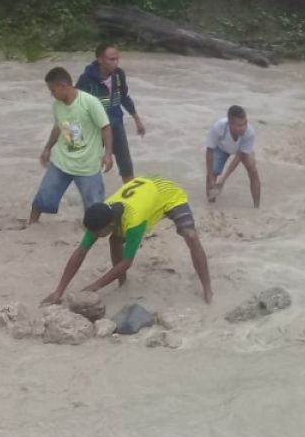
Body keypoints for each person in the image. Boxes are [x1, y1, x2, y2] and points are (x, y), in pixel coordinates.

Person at [42, 177, 212, 305]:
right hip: (145, 189)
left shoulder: (134, 221)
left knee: (190, 236)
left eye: (97, 233)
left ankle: (207, 290)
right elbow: (80, 251)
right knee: (115, 240)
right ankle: (123, 283)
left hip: (169, 193)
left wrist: (94, 286)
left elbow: (126, 262)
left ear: (109, 225)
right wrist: (59, 291)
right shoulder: (101, 213)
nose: (93, 235)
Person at [30, 67, 113, 225]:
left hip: (87, 165)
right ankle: (32, 224)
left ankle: (95, 232)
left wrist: (108, 154)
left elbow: (106, 127)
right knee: (44, 195)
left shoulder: (89, 102)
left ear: (63, 86)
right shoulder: (57, 105)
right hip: (62, 162)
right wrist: (47, 148)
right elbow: (58, 127)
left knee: (95, 207)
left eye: (52, 90)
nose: (51, 94)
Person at [76, 44, 146, 183]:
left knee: (126, 165)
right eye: (111, 59)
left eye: (117, 59)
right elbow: (74, 106)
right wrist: (75, 137)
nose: (115, 62)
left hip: (115, 125)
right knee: (87, 165)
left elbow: (124, 97)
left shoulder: (118, 75)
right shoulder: (86, 80)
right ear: (100, 59)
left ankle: (131, 198)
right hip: (94, 129)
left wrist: (137, 119)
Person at [205, 105, 261, 207]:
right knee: (212, 173)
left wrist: (223, 180)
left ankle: (256, 207)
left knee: (253, 169)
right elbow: (210, 150)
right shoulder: (218, 127)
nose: (243, 128)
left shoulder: (249, 132)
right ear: (230, 124)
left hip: (240, 151)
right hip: (221, 148)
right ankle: (211, 206)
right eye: (239, 125)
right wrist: (211, 177)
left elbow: (239, 156)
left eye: (245, 123)